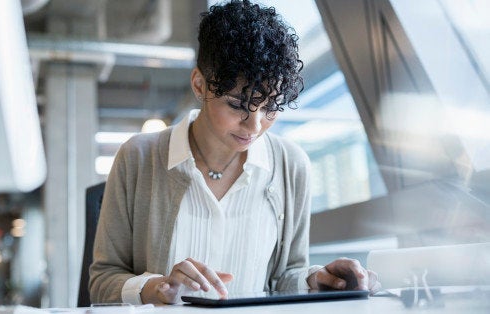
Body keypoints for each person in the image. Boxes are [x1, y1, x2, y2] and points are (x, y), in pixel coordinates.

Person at [89, 0, 380, 305]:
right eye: (238, 104)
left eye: (270, 107)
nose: (254, 125)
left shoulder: (291, 166)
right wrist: (158, 288)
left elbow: (284, 277)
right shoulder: (138, 158)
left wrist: (317, 279)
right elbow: (102, 281)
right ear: (199, 85)